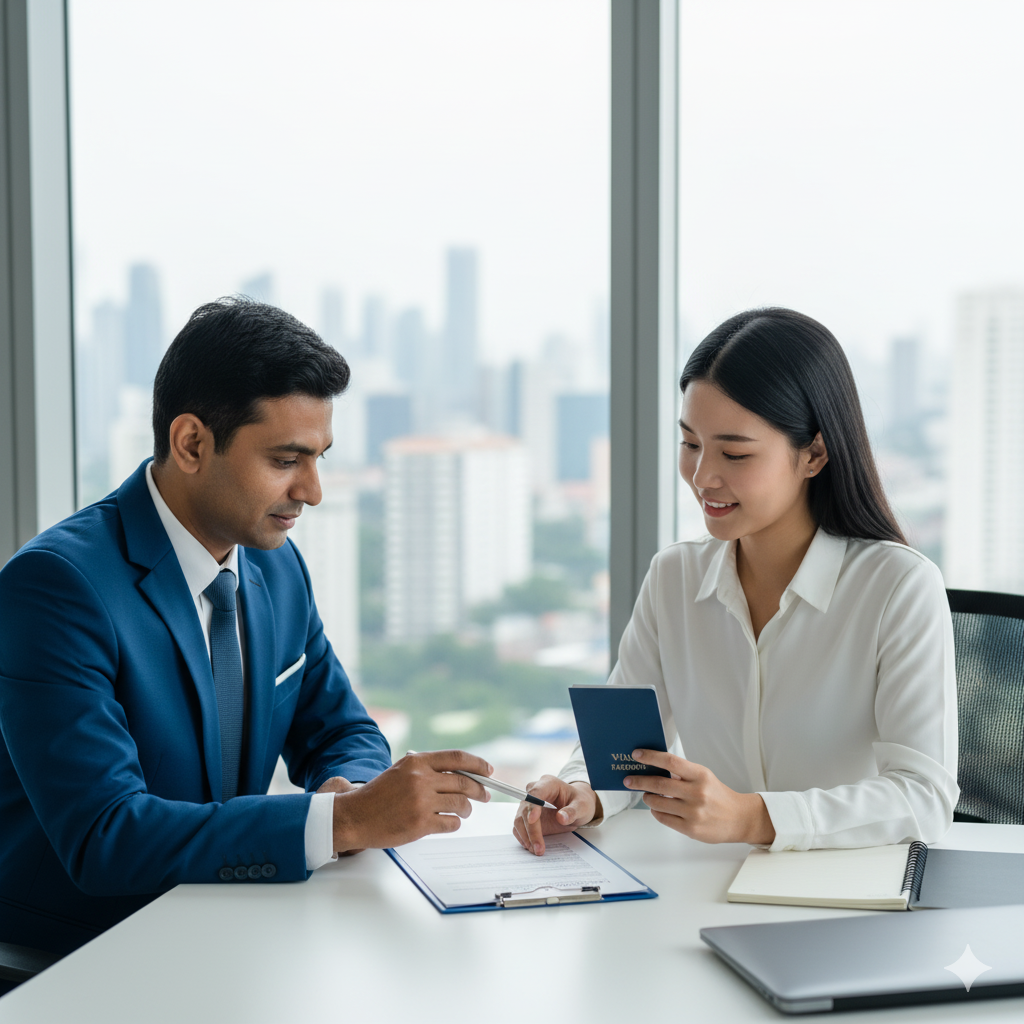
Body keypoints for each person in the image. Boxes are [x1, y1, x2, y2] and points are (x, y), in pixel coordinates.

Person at [0, 298, 492, 966]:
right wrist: (343, 823)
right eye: (287, 460)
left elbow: (341, 730)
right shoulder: (57, 587)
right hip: (75, 959)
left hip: (229, 932)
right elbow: (106, 837)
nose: (312, 491)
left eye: (319, 458)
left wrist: (351, 789)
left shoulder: (275, 566)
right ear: (191, 444)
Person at [514, 307, 958, 856]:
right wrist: (582, 790)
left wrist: (753, 817)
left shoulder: (899, 587)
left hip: (850, 886)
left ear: (814, 454)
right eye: (690, 444)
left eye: (735, 453)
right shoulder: (674, 578)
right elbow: (623, 753)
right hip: (710, 884)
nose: (703, 476)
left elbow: (924, 796)